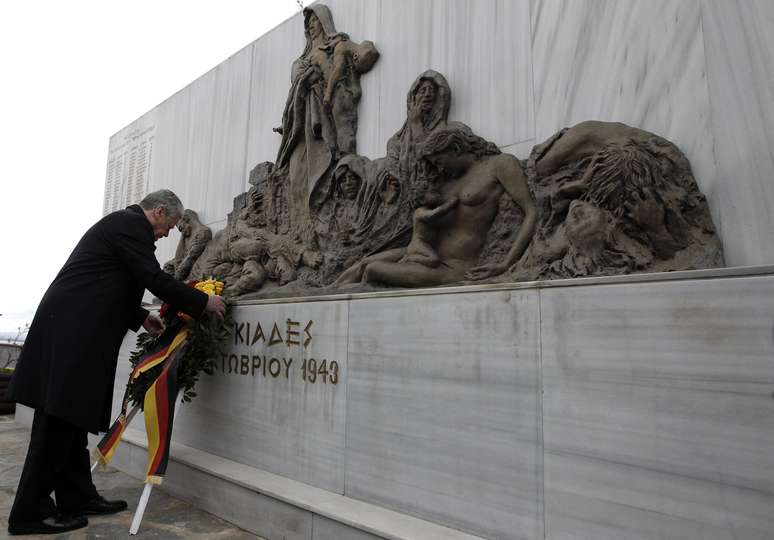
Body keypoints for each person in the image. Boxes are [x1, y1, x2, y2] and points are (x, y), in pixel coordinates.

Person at [7, 190, 226, 535]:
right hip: (71, 336)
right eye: (167, 226)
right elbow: (152, 278)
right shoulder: (129, 225)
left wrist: (140, 317)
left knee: (71, 419)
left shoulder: (123, 226)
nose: (167, 234)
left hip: (76, 333)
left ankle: (77, 496)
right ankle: (28, 514)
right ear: (157, 211)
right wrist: (202, 301)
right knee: (56, 426)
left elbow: (109, 282)